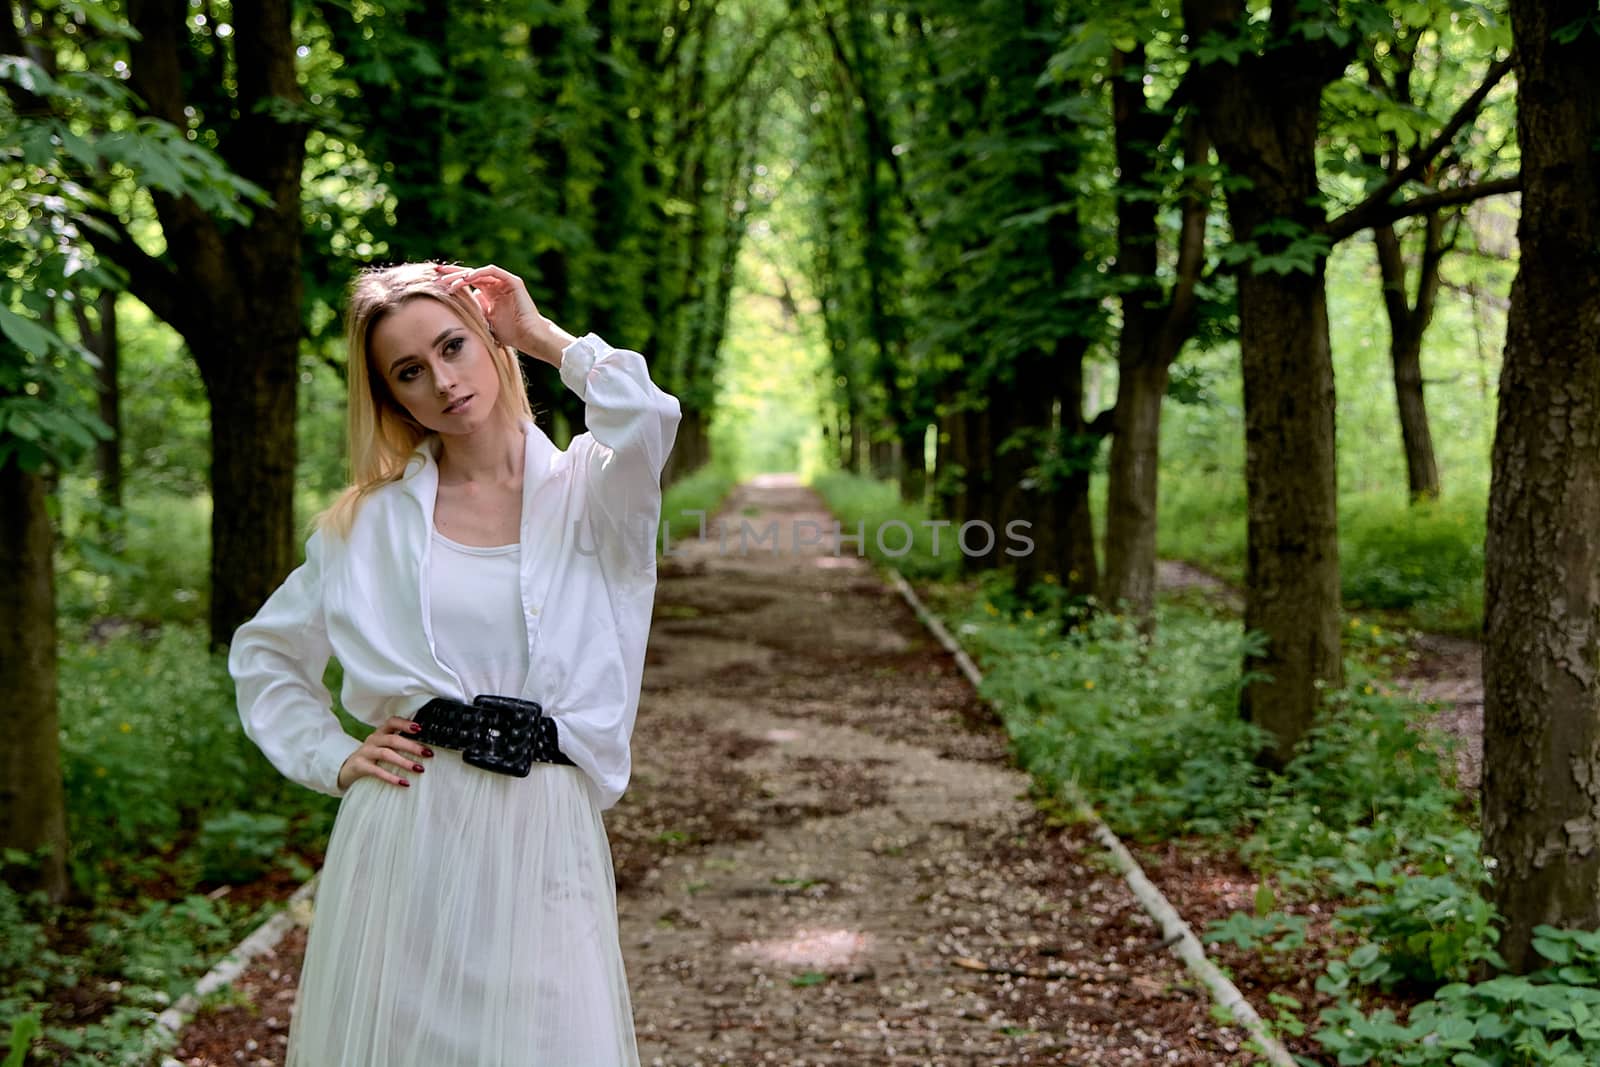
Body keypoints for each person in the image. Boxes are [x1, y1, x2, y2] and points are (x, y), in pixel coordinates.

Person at [228, 261, 680, 1066]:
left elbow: (646, 415)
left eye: (453, 347)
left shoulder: (593, 493)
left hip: (543, 829)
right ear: (392, 396)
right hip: (409, 831)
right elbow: (266, 654)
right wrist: (333, 755)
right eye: (409, 370)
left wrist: (542, 335)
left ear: (490, 342)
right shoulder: (365, 526)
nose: (441, 380)